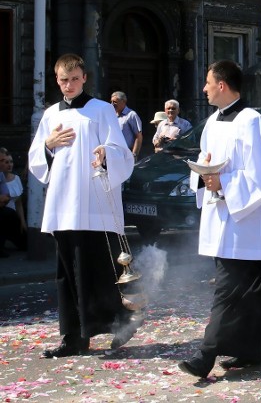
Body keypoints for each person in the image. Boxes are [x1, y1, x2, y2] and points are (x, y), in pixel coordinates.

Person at [178, 60, 261, 378]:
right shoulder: (212, 122)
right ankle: (253, 351)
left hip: (249, 224)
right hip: (225, 217)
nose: (204, 88)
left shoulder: (253, 122)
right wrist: (204, 172)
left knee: (227, 291)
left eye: (208, 82)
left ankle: (205, 355)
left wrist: (223, 183)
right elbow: (206, 161)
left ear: (222, 85)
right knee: (253, 292)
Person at [28, 54, 137, 357]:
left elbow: (121, 151)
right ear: (57, 80)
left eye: (75, 78)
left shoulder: (102, 110)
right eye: (64, 79)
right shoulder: (50, 114)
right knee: (67, 272)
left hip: (95, 203)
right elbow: (37, 159)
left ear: (84, 78)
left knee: (98, 269)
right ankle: (72, 337)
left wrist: (106, 153)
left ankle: (121, 323)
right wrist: (48, 145)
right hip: (64, 204)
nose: (70, 84)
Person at [0, 148, 26, 255]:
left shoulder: (16, 179)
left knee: (25, 245)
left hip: (13, 218)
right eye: (6, 162)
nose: (9, 165)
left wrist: (23, 222)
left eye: (11, 162)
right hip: (3, 215)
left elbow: (18, 203)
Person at [110, 91, 143, 160]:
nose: (112, 104)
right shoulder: (112, 116)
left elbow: (138, 136)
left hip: (127, 154)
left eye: (115, 102)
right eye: (111, 102)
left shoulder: (131, 115)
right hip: (114, 154)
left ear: (123, 101)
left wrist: (134, 155)